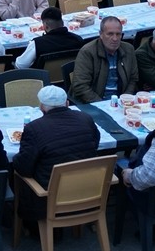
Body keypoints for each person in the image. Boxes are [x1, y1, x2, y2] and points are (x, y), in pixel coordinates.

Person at [13, 86, 101, 225]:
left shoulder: (34, 128)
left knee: (17, 174)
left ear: (41, 106)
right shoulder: (85, 118)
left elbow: (24, 168)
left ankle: (29, 224)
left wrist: (15, 160)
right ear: (67, 103)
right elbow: (94, 145)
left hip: (50, 197)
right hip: (86, 189)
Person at [71, 16, 139, 102]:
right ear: (101, 34)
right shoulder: (87, 52)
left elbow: (133, 79)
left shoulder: (129, 49)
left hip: (121, 102)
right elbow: (80, 86)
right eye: (110, 34)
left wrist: (125, 99)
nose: (115, 38)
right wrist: (102, 105)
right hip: (95, 103)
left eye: (118, 34)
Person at [15, 7, 84, 69]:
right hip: (70, 80)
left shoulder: (37, 44)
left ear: (45, 26)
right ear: (62, 23)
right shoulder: (78, 39)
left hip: (44, 81)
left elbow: (20, 65)